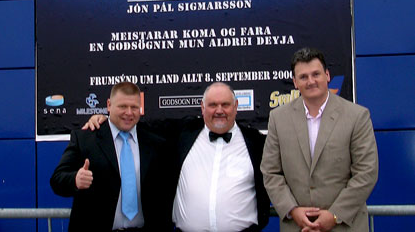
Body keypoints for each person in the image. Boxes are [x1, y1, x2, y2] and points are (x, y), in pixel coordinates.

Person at [85, 81, 270, 231]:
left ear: (236, 107)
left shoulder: (256, 143)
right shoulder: (182, 134)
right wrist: (105, 120)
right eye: (213, 105)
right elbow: (133, 124)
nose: (219, 110)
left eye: (225, 105)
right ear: (202, 108)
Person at [260, 48, 378, 232]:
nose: (311, 81)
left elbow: (366, 172)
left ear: (327, 75)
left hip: (345, 226)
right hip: (297, 226)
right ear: (295, 82)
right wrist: (292, 210)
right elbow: (270, 172)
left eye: (316, 74)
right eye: (303, 77)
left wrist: (335, 215)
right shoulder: (278, 118)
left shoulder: (357, 116)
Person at [50, 82, 171, 231]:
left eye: (134, 107)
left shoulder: (155, 141)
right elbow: (57, 180)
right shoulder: (85, 139)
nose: (129, 113)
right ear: (109, 105)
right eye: (122, 106)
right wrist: (75, 179)